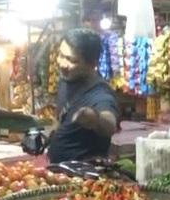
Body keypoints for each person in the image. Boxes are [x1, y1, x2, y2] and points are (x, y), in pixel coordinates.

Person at [47, 28, 118, 164]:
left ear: (92, 63)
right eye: (61, 55)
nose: (62, 64)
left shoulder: (100, 93)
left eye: (71, 60)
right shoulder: (66, 79)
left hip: (85, 178)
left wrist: (95, 119)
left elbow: (110, 124)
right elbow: (62, 117)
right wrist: (49, 137)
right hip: (59, 171)